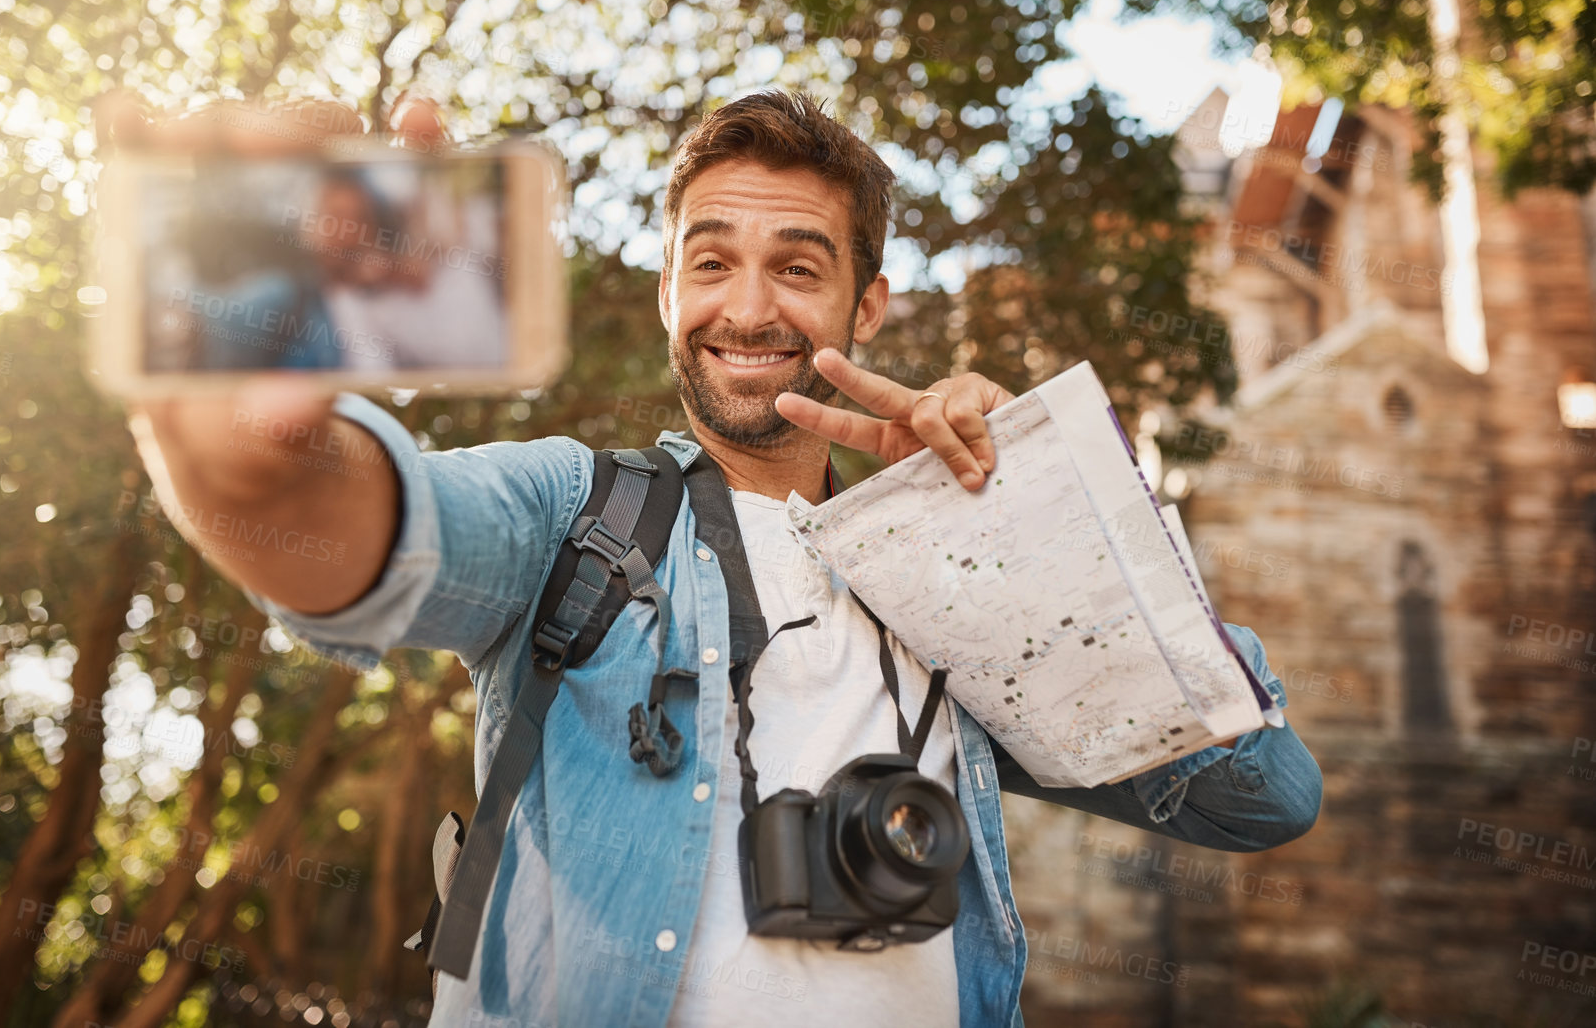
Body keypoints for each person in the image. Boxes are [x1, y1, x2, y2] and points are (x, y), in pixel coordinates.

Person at [107, 89, 1322, 1028]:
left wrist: (1027, 526)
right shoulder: (573, 513)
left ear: (870, 306)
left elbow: (1261, 794)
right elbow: (356, 537)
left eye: (799, 266)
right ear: (665, 293)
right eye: (710, 261)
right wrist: (240, 439)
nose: (747, 309)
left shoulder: (961, 592)